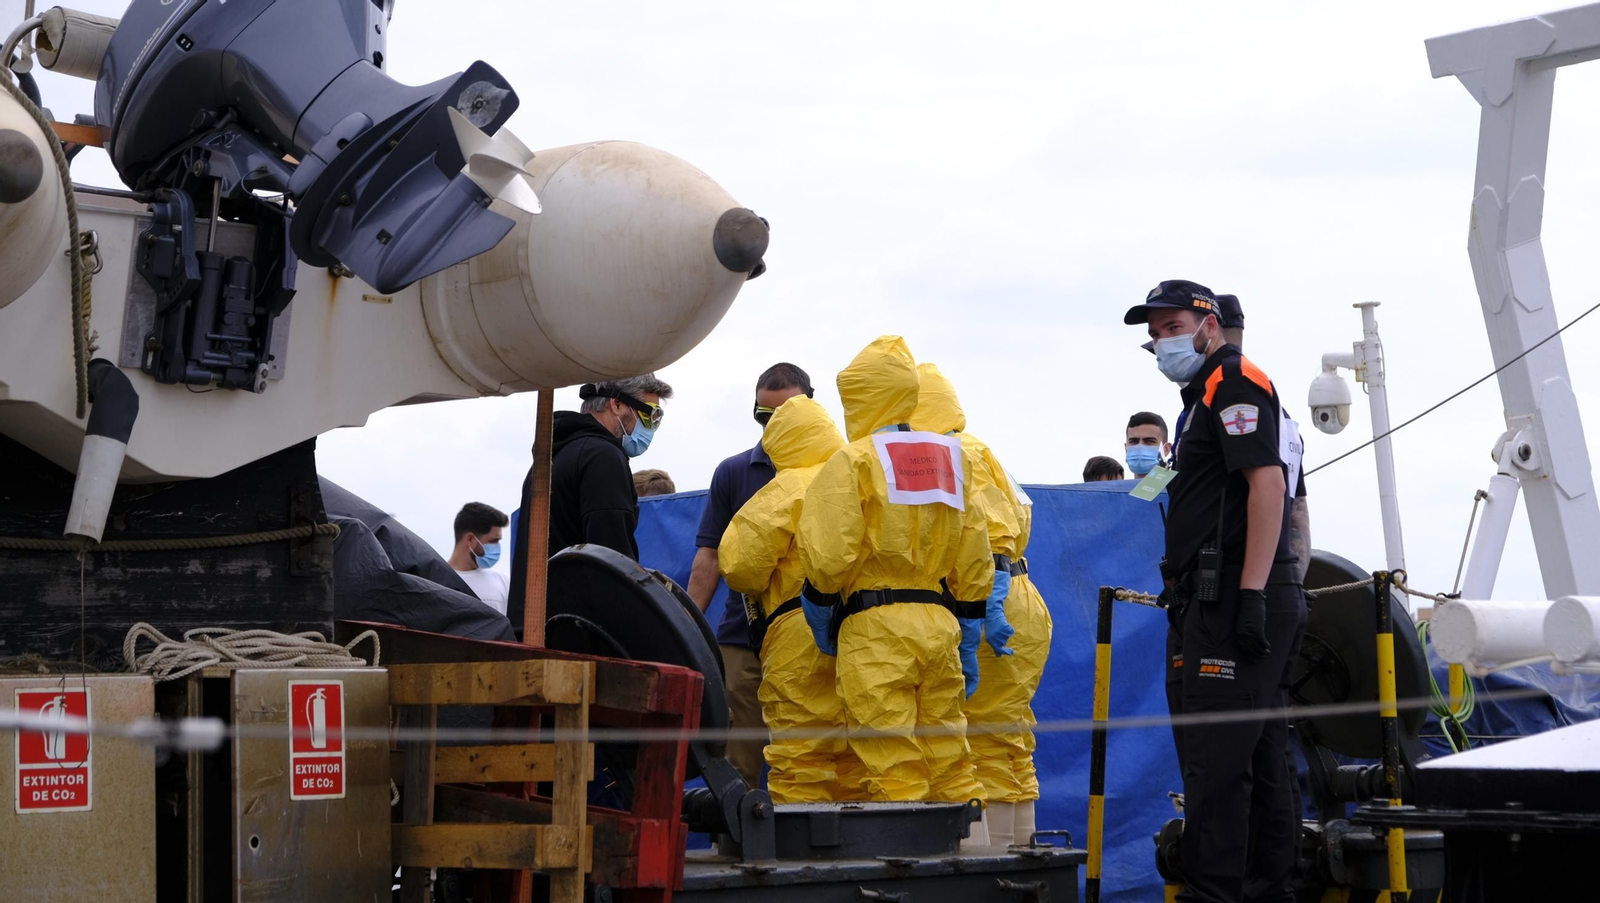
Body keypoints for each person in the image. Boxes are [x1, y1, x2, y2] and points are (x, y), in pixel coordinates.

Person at [1125, 279, 1308, 903]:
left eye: (1172, 327)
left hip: (1232, 595)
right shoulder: (1197, 398)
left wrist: (1252, 593)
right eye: (1154, 334)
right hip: (1212, 596)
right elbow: (1174, 487)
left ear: (1209, 324)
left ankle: (1217, 894)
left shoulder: (1233, 382)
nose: (1161, 341)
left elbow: (1268, 487)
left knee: (1216, 766)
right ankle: (1266, 891)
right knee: (1255, 759)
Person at [797, 336, 992, 814]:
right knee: (951, 755)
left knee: (890, 761)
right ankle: (976, 866)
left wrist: (819, 608)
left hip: (875, 625)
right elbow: (974, 550)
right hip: (940, 621)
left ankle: (911, 873)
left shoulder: (855, 459)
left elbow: (829, 553)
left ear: (860, 398)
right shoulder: (952, 457)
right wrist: (969, 620)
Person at [911, 362, 1053, 847]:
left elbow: (991, 540)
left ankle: (985, 863)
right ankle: (1019, 849)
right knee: (1008, 734)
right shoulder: (981, 450)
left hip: (993, 599)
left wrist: (984, 609)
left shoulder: (956, 452)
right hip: (1019, 598)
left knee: (979, 737)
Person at [718, 395, 867, 802]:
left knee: (802, 753)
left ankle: (807, 851)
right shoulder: (862, 477)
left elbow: (739, 565)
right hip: (865, 630)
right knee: (857, 751)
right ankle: (858, 851)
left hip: (797, 631)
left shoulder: (787, 488)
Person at [687, 362, 814, 786]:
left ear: (810, 407)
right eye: (764, 415)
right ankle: (733, 851)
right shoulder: (734, 471)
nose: (774, 423)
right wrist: (687, 624)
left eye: (785, 413)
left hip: (814, 635)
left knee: (812, 758)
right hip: (743, 639)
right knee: (738, 764)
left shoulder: (838, 470)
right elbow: (709, 558)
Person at [507, 374, 673, 634]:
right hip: (579, 636)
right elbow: (612, 560)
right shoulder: (603, 457)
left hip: (534, 626)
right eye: (651, 415)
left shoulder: (550, 458)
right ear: (616, 405)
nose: (652, 427)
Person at [447, 502, 511, 615]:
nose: (497, 547)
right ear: (471, 539)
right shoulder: (434, 580)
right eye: (493, 541)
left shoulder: (504, 583)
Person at [1125, 411, 1171, 477]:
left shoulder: (1182, 486)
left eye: (1149, 441)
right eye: (1134, 441)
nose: (1140, 447)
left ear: (1166, 449)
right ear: (1126, 449)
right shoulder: (1113, 487)